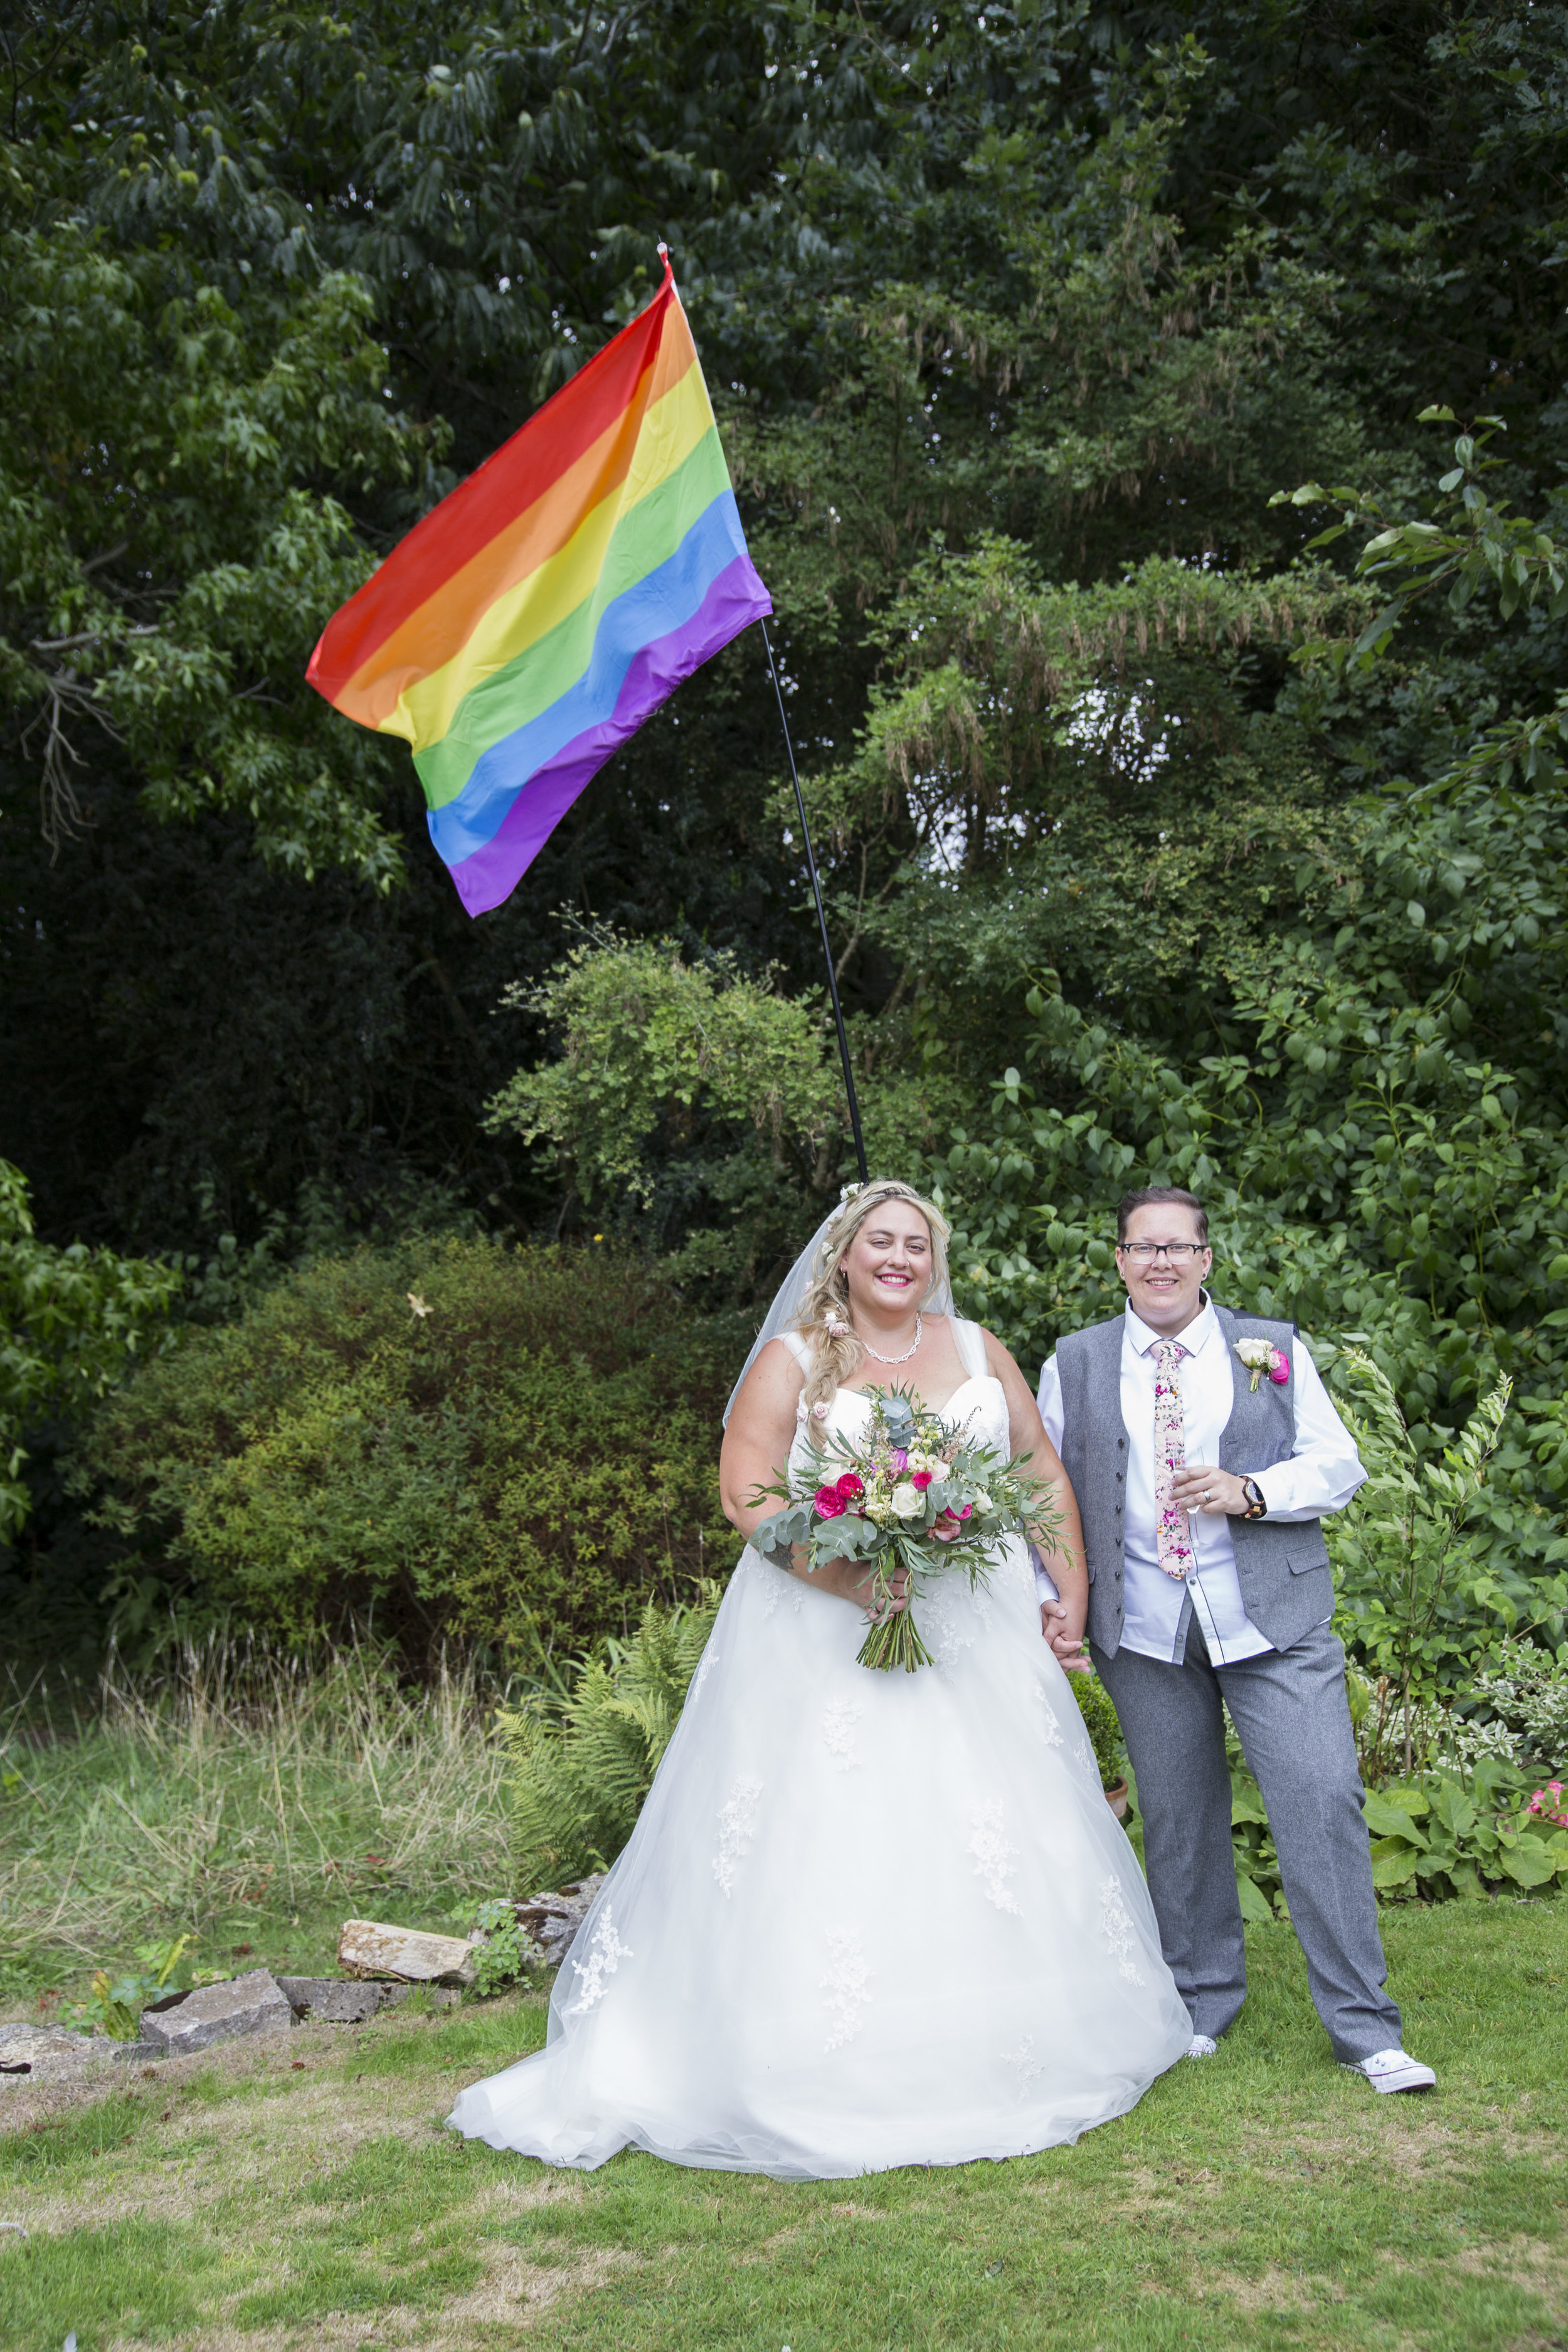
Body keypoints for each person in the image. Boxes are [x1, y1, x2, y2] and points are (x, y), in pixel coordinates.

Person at [448, 1178, 1190, 2178]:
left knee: (986, 1835)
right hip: (820, 1632)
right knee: (834, 1835)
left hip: (975, 1632)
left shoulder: (978, 1351)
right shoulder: (792, 1358)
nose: (899, 1258)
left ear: (935, 1259)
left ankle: (998, 2035)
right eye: (880, 1241)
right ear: (843, 1253)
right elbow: (746, 1489)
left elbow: (1039, 1475)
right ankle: (804, 2055)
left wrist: (1075, 1590)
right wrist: (842, 1573)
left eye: (917, 1245)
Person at [1035, 1183, 1435, 2095]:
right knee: (1178, 1820)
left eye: (1180, 1246)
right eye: (1144, 1246)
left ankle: (1367, 2027)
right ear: (1120, 1260)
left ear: (1207, 1258)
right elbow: (1047, 1493)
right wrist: (1048, 1597)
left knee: (1322, 1799)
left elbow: (1340, 1464)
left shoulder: (1272, 1348)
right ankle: (1201, 2002)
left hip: (1273, 1620)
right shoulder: (1079, 1361)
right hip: (1144, 1628)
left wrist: (1253, 1492)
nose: (1162, 1261)